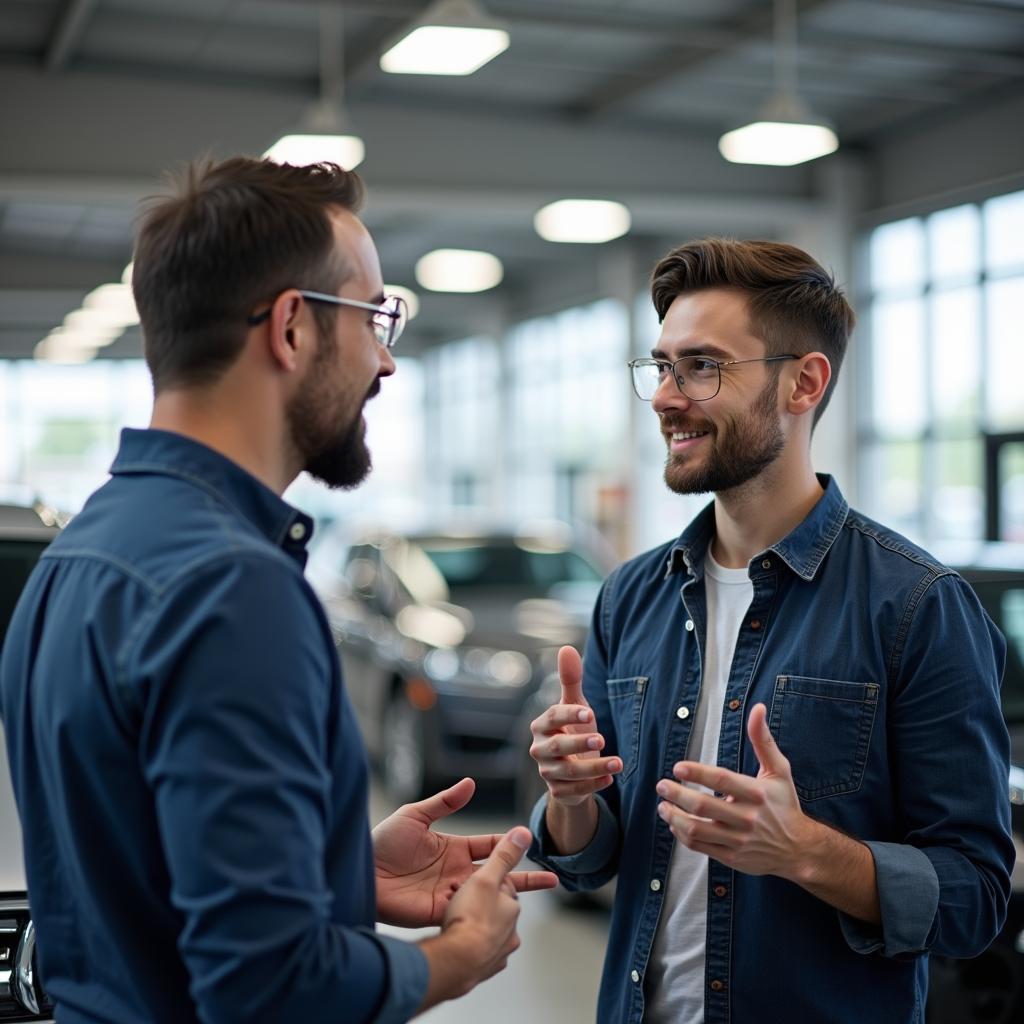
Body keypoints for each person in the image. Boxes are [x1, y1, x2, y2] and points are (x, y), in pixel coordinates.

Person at [0, 156, 556, 1024]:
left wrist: (333, 875)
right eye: (374, 316)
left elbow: (131, 881)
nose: (386, 360)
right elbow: (268, 989)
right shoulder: (232, 589)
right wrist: (453, 960)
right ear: (292, 327)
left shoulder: (76, 557)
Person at [527, 237, 1014, 1023]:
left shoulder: (917, 606)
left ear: (804, 382)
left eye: (702, 366)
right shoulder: (632, 595)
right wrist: (569, 796)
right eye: (661, 367)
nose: (664, 396)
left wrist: (805, 852)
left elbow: (976, 897)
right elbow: (590, 860)